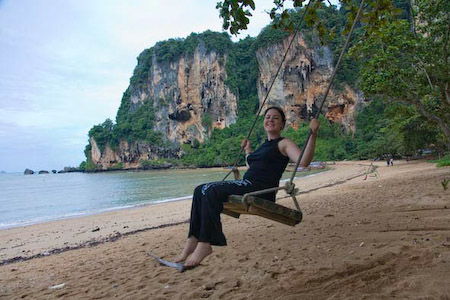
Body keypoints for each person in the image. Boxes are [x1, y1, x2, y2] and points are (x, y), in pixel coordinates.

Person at [175, 106, 320, 268]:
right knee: (199, 189)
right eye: (267, 117)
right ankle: (193, 239)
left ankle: (205, 244)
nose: (270, 119)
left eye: (276, 118)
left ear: (282, 125)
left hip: (260, 189)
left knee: (210, 190)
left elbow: (304, 161)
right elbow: (254, 166)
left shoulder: (284, 143)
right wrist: (248, 151)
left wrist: (313, 134)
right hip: (248, 184)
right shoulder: (264, 145)